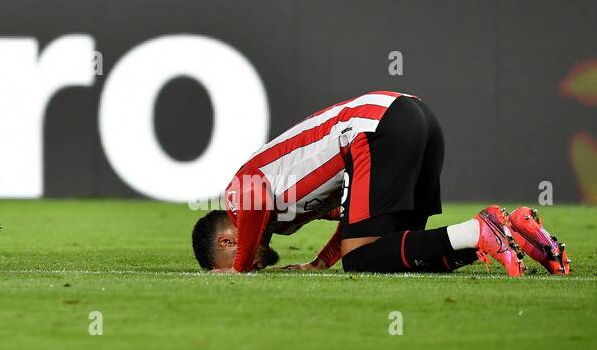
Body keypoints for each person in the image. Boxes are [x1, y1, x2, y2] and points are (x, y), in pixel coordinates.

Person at [191, 91, 572, 276]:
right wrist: (320, 263)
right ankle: (512, 230)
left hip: (377, 128)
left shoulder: (238, 195)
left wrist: (237, 270)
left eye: (236, 258)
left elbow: (254, 202)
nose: (253, 267)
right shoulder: (286, 212)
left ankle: (479, 229)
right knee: (397, 256)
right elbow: (353, 218)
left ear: (227, 242)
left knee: (361, 261)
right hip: (414, 118)